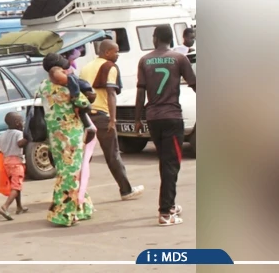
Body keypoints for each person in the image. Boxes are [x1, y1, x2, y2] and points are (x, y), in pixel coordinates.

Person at [135, 26, 197, 227]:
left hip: (153, 118)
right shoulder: (179, 59)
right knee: (172, 164)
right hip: (172, 118)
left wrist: (137, 119)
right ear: (171, 39)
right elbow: (195, 84)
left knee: (165, 162)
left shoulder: (144, 60)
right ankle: (165, 212)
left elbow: (140, 92)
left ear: (155, 39)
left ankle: (169, 204)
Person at [79, 40, 144, 201]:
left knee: (84, 157)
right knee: (113, 155)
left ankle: (76, 192)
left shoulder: (86, 67)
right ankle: (126, 190)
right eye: (116, 51)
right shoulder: (110, 67)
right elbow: (111, 93)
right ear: (107, 52)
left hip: (85, 117)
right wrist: (113, 119)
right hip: (102, 116)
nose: (118, 55)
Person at [36, 53, 95, 227]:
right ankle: (63, 214)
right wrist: (76, 88)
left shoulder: (43, 86)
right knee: (70, 173)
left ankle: (82, 207)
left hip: (54, 136)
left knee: (68, 171)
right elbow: (84, 104)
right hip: (70, 136)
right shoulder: (66, 87)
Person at [0, 112, 28, 220]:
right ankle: (4, 207)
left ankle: (19, 206)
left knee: (15, 185)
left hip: (7, 163)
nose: (22, 123)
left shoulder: (3, 134)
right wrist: (28, 138)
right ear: (17, 123)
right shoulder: (18, 133)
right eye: (21, 121)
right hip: (16, 163)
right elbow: (20, 143)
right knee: (16, 186)